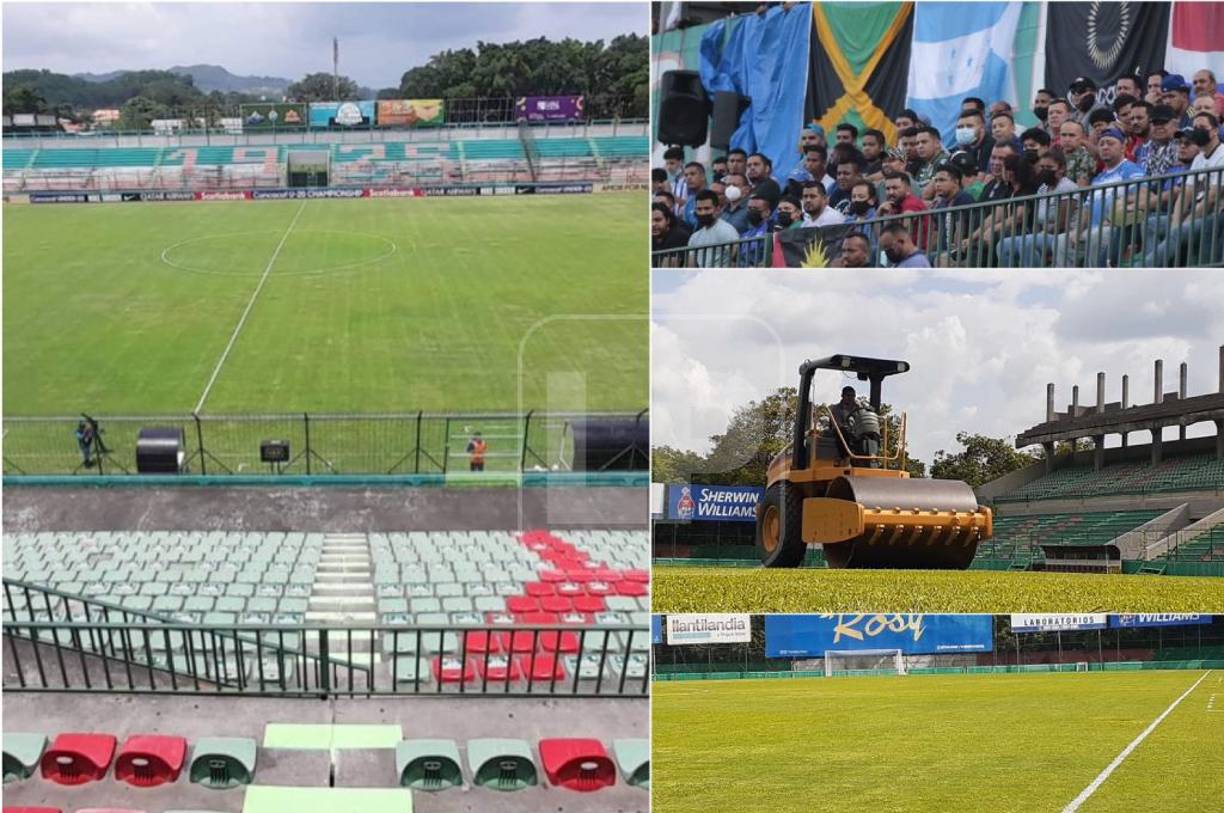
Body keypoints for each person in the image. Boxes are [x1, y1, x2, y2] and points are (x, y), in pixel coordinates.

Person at [1143, 113, 1224, 266]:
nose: (1198, 130)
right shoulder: (1199, 158)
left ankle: (1144, 268)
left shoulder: (1222, 154)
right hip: (1194, 214)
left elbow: (1212, 198)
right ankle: (1157, 271)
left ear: (1214, 131)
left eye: (1202, 127)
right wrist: (1175, 222)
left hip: (1214, 216)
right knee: (1150, 224)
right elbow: (1186, 194)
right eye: (1195, 128)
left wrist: (1186, 221)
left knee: (1179, 231)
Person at [1064, 127, 1145, 266]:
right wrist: (1077, 230)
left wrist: (1114, 217)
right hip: (1092, 229)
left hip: (1116, 229)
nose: (1105, 147)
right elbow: (1086, 208)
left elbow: (1141, 197)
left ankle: (1095, 281)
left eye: (1110, 143)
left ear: (1122, 147)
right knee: (1062, 241)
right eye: (1101, 144)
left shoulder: (1131, 170)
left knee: (1095, 237)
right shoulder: (1098, 178)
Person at [996, 148, 1078, 266]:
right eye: (1042, 167)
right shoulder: (1043, 188)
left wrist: (1041, 234)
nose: (1045, 171)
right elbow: (1037, 221)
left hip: (1063, 236)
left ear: (1061, 168)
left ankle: (1032, 279)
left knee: (1028, 242)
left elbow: (1062, 223)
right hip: (1043, 235)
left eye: (1049, 168)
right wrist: (1036, 233)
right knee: (1003, 245)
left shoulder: (1067, 187)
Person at [687, 189, 741, 267]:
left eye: (707, 208)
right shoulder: (694, 237)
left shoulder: (726, 230)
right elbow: (690, 269)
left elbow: (736, 260)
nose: (703, 213)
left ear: (717, 209)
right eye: (699, 209)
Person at [914, 126, 951, 199]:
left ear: (937, 143)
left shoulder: (946, 161)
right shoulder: (923, 166)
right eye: (917, 143)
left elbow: (925, 195)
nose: (920, 146)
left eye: (924, 142)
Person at [1059, 120, 1096, 187]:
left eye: (1072, 135)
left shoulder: (1085, 157)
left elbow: (1080, 189)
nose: (1067, 139)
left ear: (1082, 137)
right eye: (1063, 135)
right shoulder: (1056, 155)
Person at [680, 161, 707, 228]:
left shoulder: (713, 196)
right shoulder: (689, 201)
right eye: (686, 175)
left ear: (703, 176)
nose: (688, 178)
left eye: (692, 174)